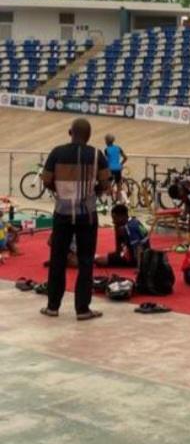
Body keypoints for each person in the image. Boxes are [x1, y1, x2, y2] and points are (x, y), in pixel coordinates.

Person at [40, 118, 110, 321]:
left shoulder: (56, 152)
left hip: (62, 214)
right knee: (86, 261)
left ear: (70, 132)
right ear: (88, 135)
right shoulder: (97, 155)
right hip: (87, 216)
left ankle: (53, 306)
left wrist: (61, 193)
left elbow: (46, 180)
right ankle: (82, 309)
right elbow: (105, 184)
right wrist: (91, 194)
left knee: (57, 260)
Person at [104, 134, 128, 205]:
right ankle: (118, 202)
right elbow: (125, 157)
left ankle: (108, 203)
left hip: (110, 169)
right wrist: (120, 164)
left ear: (107, 141)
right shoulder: (118, 148)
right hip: (118, 169)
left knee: (108, 186)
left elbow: (106, 160)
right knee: (119, 186)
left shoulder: (106, 150)